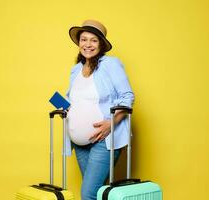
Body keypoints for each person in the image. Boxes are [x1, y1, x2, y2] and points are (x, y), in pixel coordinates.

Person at [66, 19, 135, 200]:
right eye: (83, 39)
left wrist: (110, 124)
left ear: (101, 44)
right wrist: (62, 104)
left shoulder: (110, 64)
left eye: (93, 40)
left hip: (103, 140)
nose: (87, 44)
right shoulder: (76, 70)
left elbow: (127, 96)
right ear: (78, 42)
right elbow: (71, 99)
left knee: (88, 194)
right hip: (80, 144)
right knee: (96, 192)